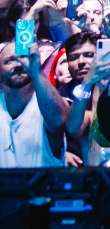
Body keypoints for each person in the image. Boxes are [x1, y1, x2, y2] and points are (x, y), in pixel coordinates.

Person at [0, 35, 67, 167]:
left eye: (24, 58)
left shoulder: (47, 102)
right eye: (9, 61)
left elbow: (59, 122)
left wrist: (37, 73)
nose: (19, 64)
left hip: (42, 187)